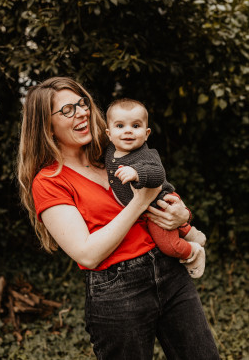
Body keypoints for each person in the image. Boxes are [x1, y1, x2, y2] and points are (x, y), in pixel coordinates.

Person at [18, 76, 221, 360]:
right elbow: (87, 254)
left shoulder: (112, 149)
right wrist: (139, 203)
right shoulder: (49, 181)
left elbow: (160, 188)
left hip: (170, 271)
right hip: (117, 292)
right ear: (46, 127)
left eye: (82, 103)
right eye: (66, 110)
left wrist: (182, 214)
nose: (81, 112)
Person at [105, 98, 206, 278]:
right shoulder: (110, 151)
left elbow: (158, 174)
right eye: (120, 126)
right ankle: (191, 232)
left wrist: (137, 173)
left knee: (168, 246)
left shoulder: (145, 154)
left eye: (136, 126)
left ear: (147, 133)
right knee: (172, 223)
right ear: (109, 133)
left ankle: (192, 252)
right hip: (148, 206)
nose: (128, 130)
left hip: (159, 204)